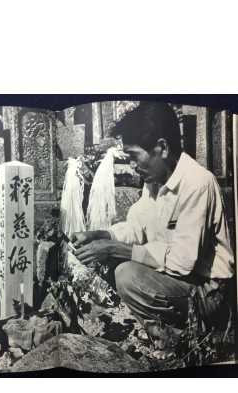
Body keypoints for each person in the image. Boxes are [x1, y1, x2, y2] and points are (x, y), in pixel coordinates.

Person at [71, 102, 235, 331]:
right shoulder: (155, 180)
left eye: (134, 156)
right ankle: (159, 328)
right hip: (179, 281)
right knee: (110, 262)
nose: (131, 165)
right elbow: (136, 228)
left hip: (208, 291)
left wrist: (112, 248)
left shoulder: (197, 183)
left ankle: (180, 336)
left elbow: (181, 263)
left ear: (162, 148)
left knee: (127, 275)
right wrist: (101, 235)